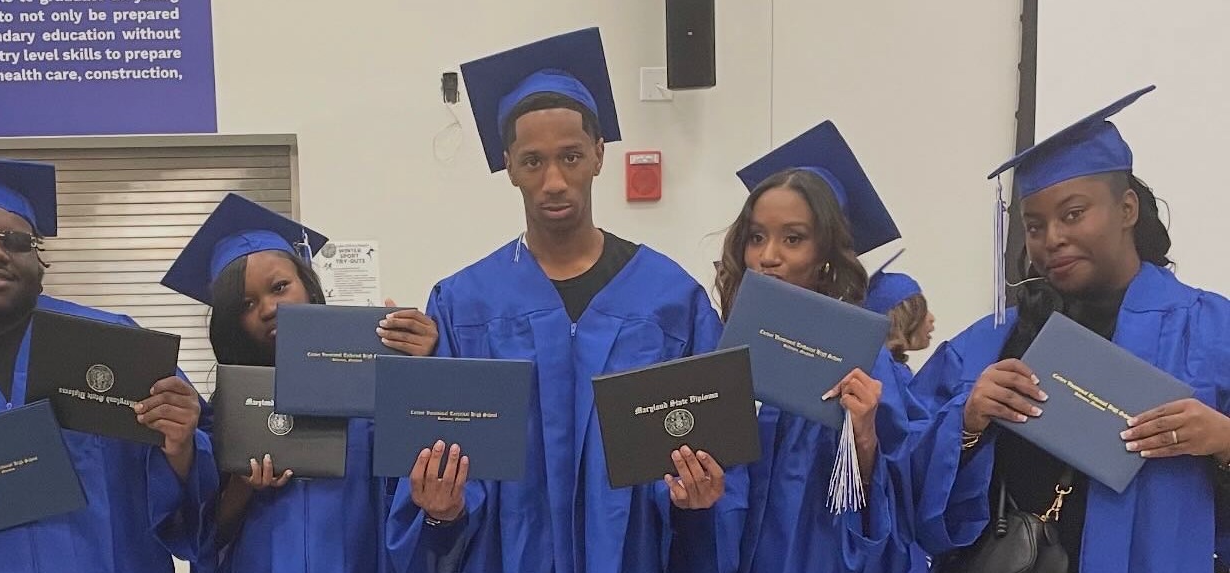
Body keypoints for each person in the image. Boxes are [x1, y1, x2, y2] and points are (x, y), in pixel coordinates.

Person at [385, 28, 746, 573]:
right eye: (533, 161)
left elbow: (718, 459)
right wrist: (443, 510)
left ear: (599, 156)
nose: (554, 180)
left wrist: (697, 503)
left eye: (571, 156)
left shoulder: (672, 300)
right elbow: (444, 463)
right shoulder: (463, 304)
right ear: (509, 165)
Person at [910, 85, 1230, 573]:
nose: (1052, 239)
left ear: (1127, 210)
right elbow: (903, 471)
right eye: (1034, 225)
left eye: (1073, 214)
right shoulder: (995, 340)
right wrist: (967, 422)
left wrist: (1224, 441)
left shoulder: (1211, 330)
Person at [0, 152, 217, 572]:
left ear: (39, 262)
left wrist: (183, 446)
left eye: (18, 241)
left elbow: (205, 487)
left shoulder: (115, 343)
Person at [160, 193, 438, 573]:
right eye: (245, 304)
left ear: (307, 284)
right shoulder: (221, 419)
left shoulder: (368, 397)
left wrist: (420, 365)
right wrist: (244, 485)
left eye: (278, 287)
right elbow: (202, 541)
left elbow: (413, 506)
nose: (269, 309)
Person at [721, 120, 923, 572]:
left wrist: (864, 434)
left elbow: (896, 499)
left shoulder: (864, 358)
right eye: (757, 237)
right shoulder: (723, 347)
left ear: (825, 253)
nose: (767, 255)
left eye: (792, 238)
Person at [863, 252, 936, 382]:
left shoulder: (884, 368)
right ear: (901, 320)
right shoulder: (885, 376)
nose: (931, 318)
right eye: (921, 311)